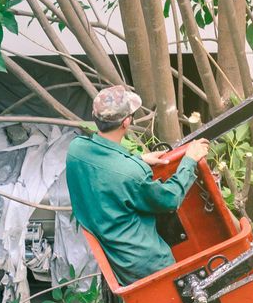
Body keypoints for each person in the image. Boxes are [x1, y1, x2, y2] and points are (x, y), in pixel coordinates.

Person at [65, 84, 211, 285]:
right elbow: (170, 199)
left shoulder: (76, 149)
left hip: (118, 259)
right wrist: (189, 161)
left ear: (94, 116)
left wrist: (140, 159)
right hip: (149, 266)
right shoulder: (130, 173)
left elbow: (106, 168)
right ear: (126, 122)